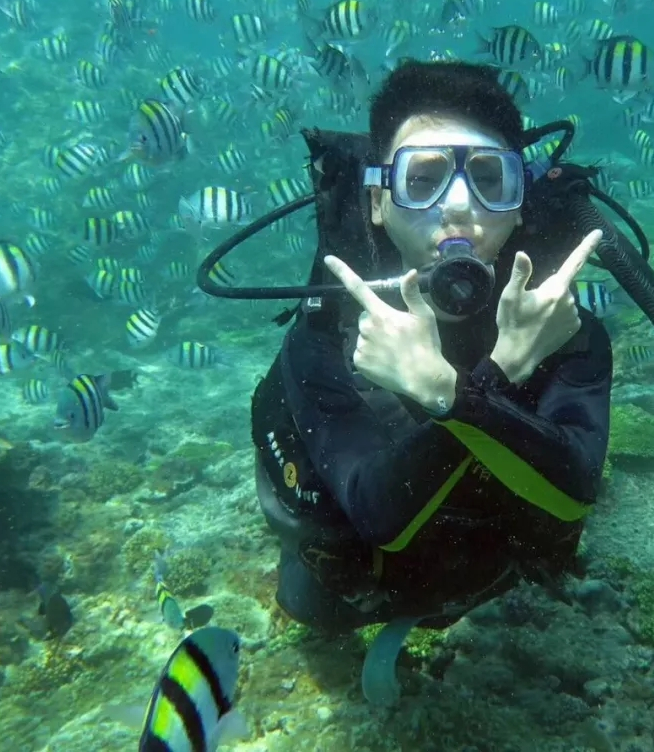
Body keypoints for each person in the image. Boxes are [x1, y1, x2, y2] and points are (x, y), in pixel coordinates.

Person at [251, 60, 612, 641]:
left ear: (519, 202)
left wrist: (456, 392)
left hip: (489, 570)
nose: (460, 205)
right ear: (377, 202)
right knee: (313, 610)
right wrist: (499, 379)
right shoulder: (329, 337)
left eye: (491, 180)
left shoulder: (562, 327)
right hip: (366, 576)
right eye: (422, 180)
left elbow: (575, 495)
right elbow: (376, 516)